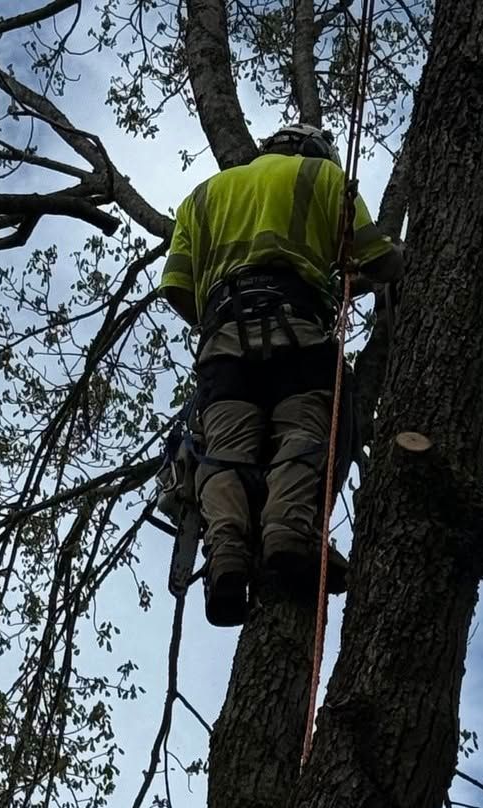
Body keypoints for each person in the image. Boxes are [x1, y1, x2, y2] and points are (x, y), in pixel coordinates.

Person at [159, 122, 404, 627]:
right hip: (299, 333)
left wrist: (226, 315)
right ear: (316, 151)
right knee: (307, 430)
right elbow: (377, 259)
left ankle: (226, 551)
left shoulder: (202, 196)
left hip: (223, 343)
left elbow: (179, 290)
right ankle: (287, 531)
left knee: (224, 449)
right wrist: (398, 263)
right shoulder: (325, 178)